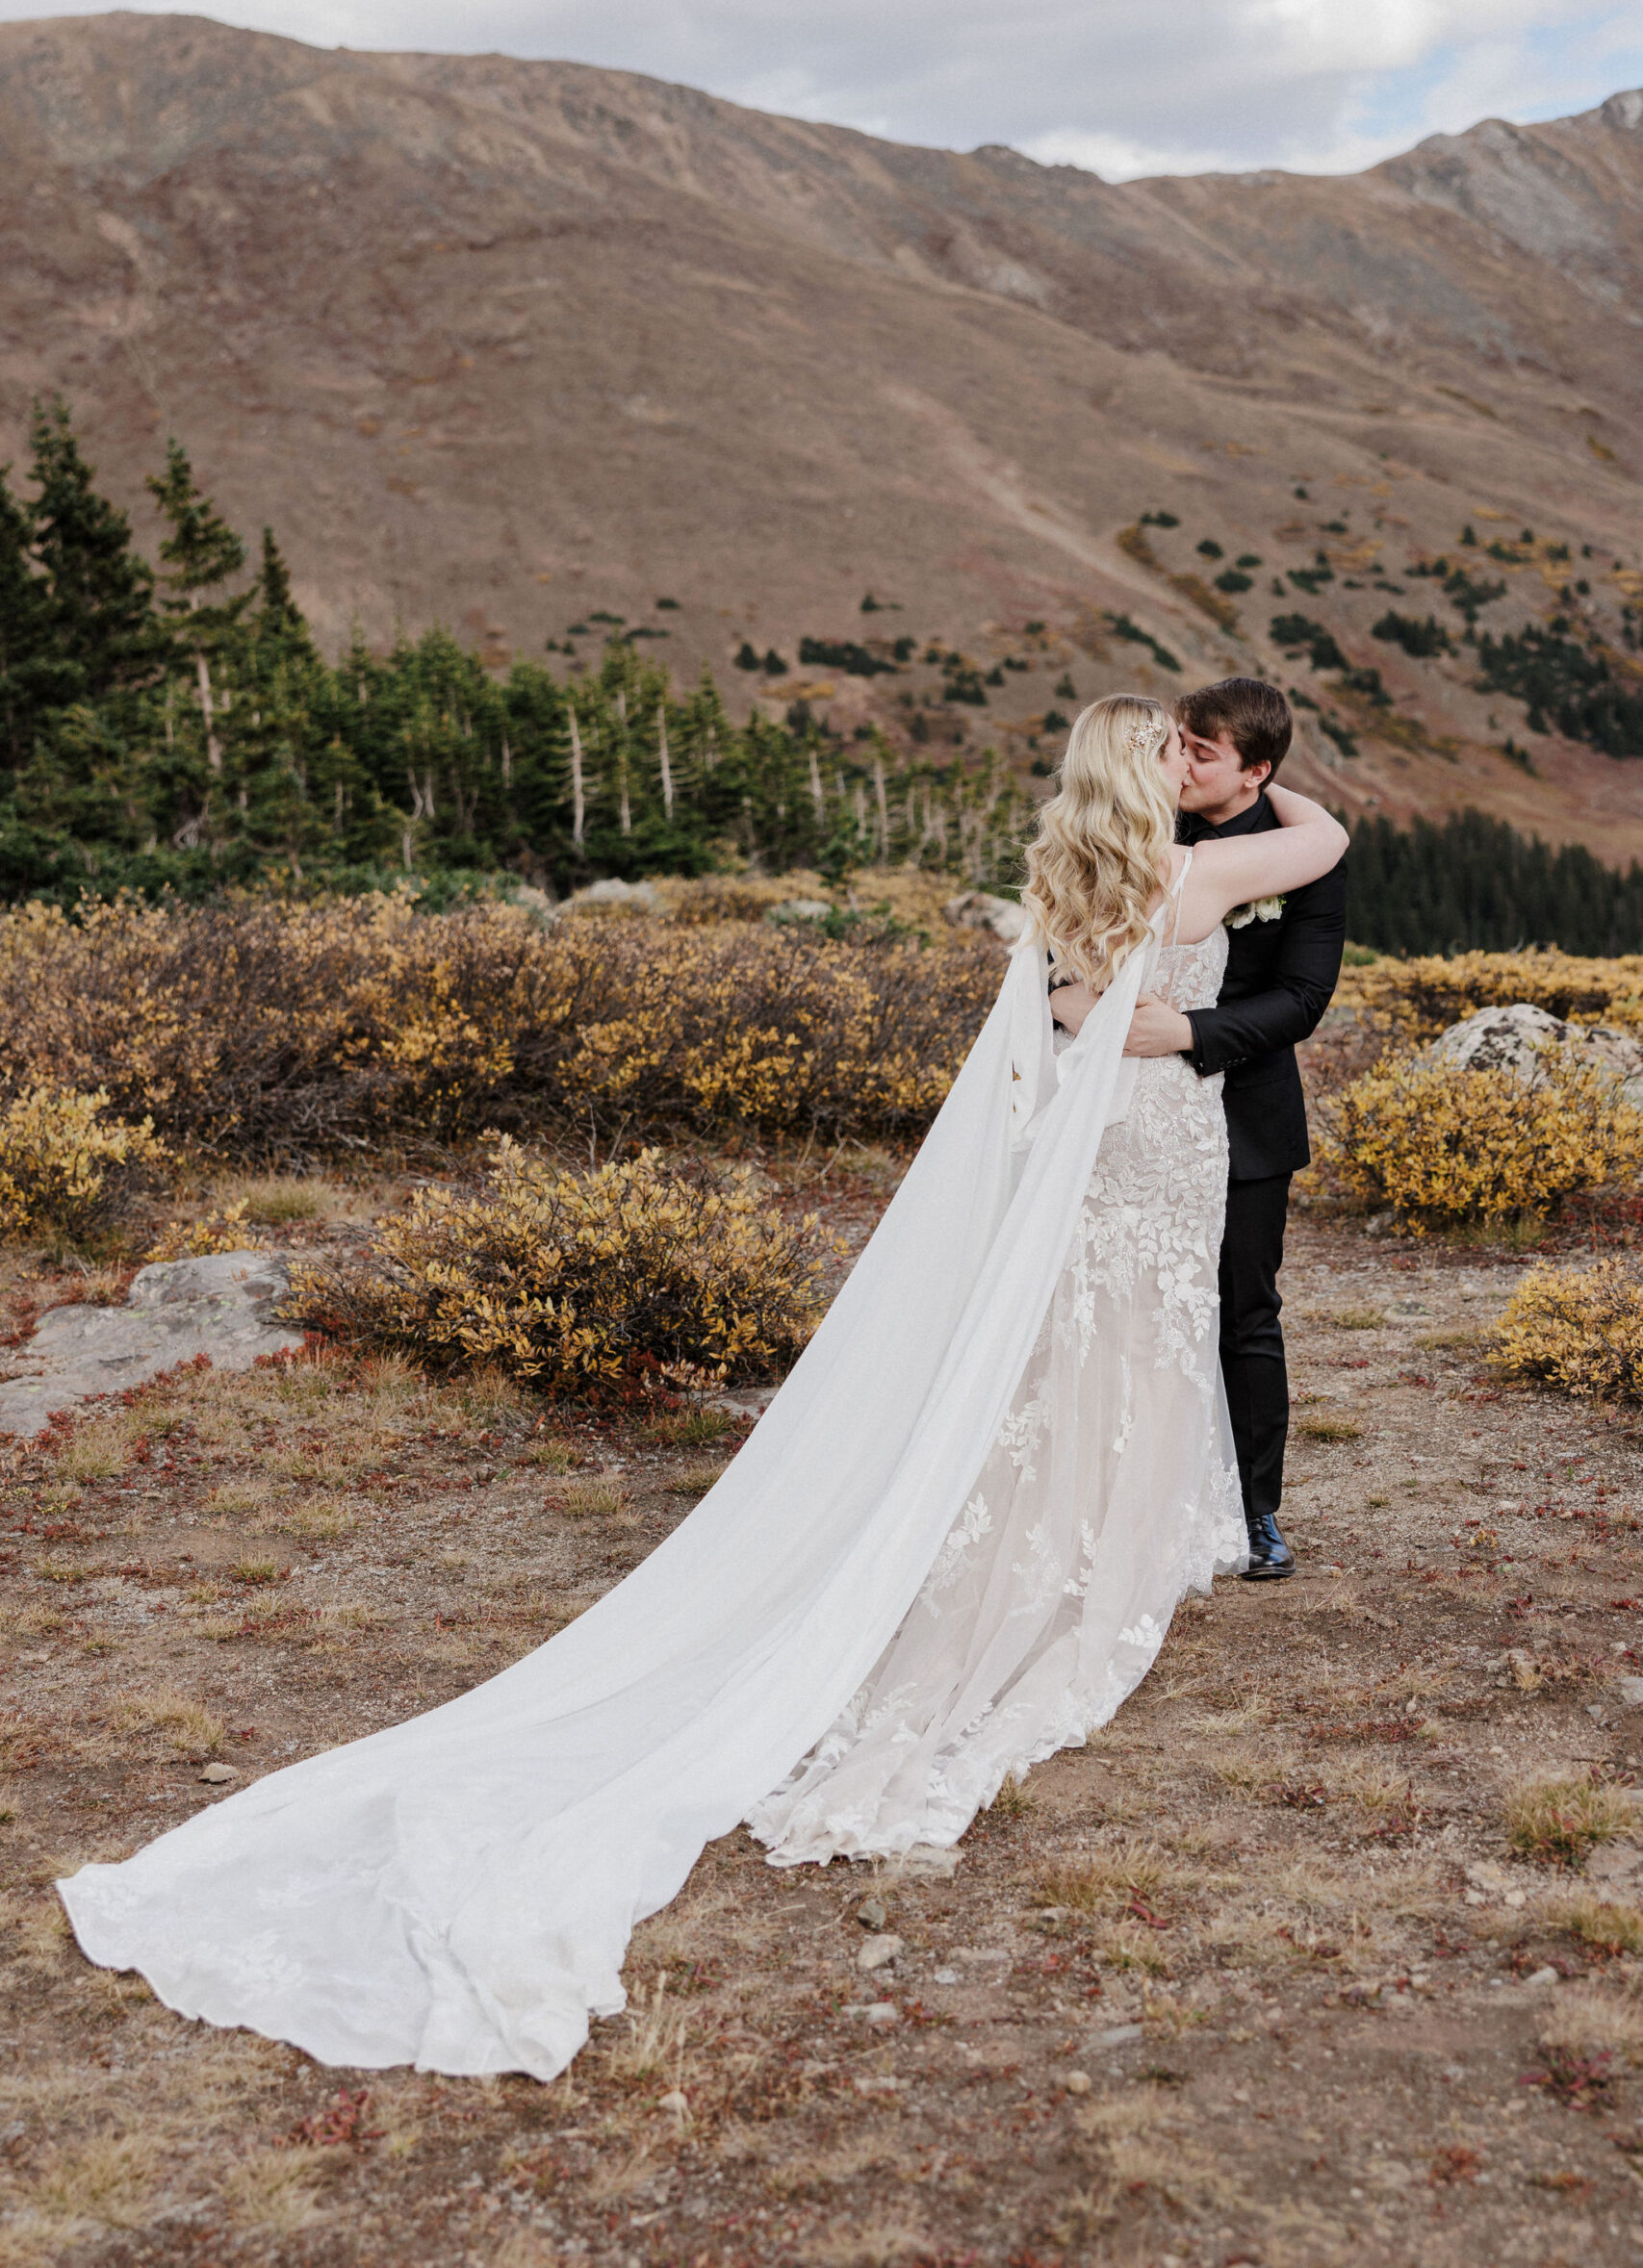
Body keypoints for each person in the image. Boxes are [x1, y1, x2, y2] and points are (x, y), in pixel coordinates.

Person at [59, 696, 1348, 2084]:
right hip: (1152, 1139)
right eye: (1169, 750)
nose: (1186, 765)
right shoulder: (1192, 868)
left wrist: (1101, 1002)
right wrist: (1227, 832)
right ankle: (1112, 1545)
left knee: (1071, 1342)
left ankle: (1082, 1527)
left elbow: (1057, 992)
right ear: (1146, 778)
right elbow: (1325, 832)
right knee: (1135, 1338)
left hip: (1103, 1142)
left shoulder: (1073, 869)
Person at [1119, 679, 1347, 1581]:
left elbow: (1303, 999)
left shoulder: (1307, 856)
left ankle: (1254, 1511)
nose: (1180, 759)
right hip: (1132, 1121)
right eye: (1179, 741)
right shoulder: (1138, 831)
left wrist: (1189, 1034)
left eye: (1202, 751)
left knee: (1242, 1312)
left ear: (1255, 772)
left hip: (1244, 1113)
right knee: (1131, 1303)